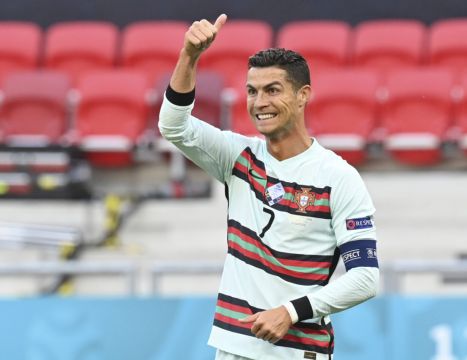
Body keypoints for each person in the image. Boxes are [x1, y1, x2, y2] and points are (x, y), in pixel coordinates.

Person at [158, 14, 379, 360]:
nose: (259, 102)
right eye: (252, 91)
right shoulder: (238, 156)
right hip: (232, 349)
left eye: (272, 90)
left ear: (303, 95)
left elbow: (365, 279)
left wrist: (290, 311)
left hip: (297, 353)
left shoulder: (338, 177)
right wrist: (189, 56)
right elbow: (173, 126)